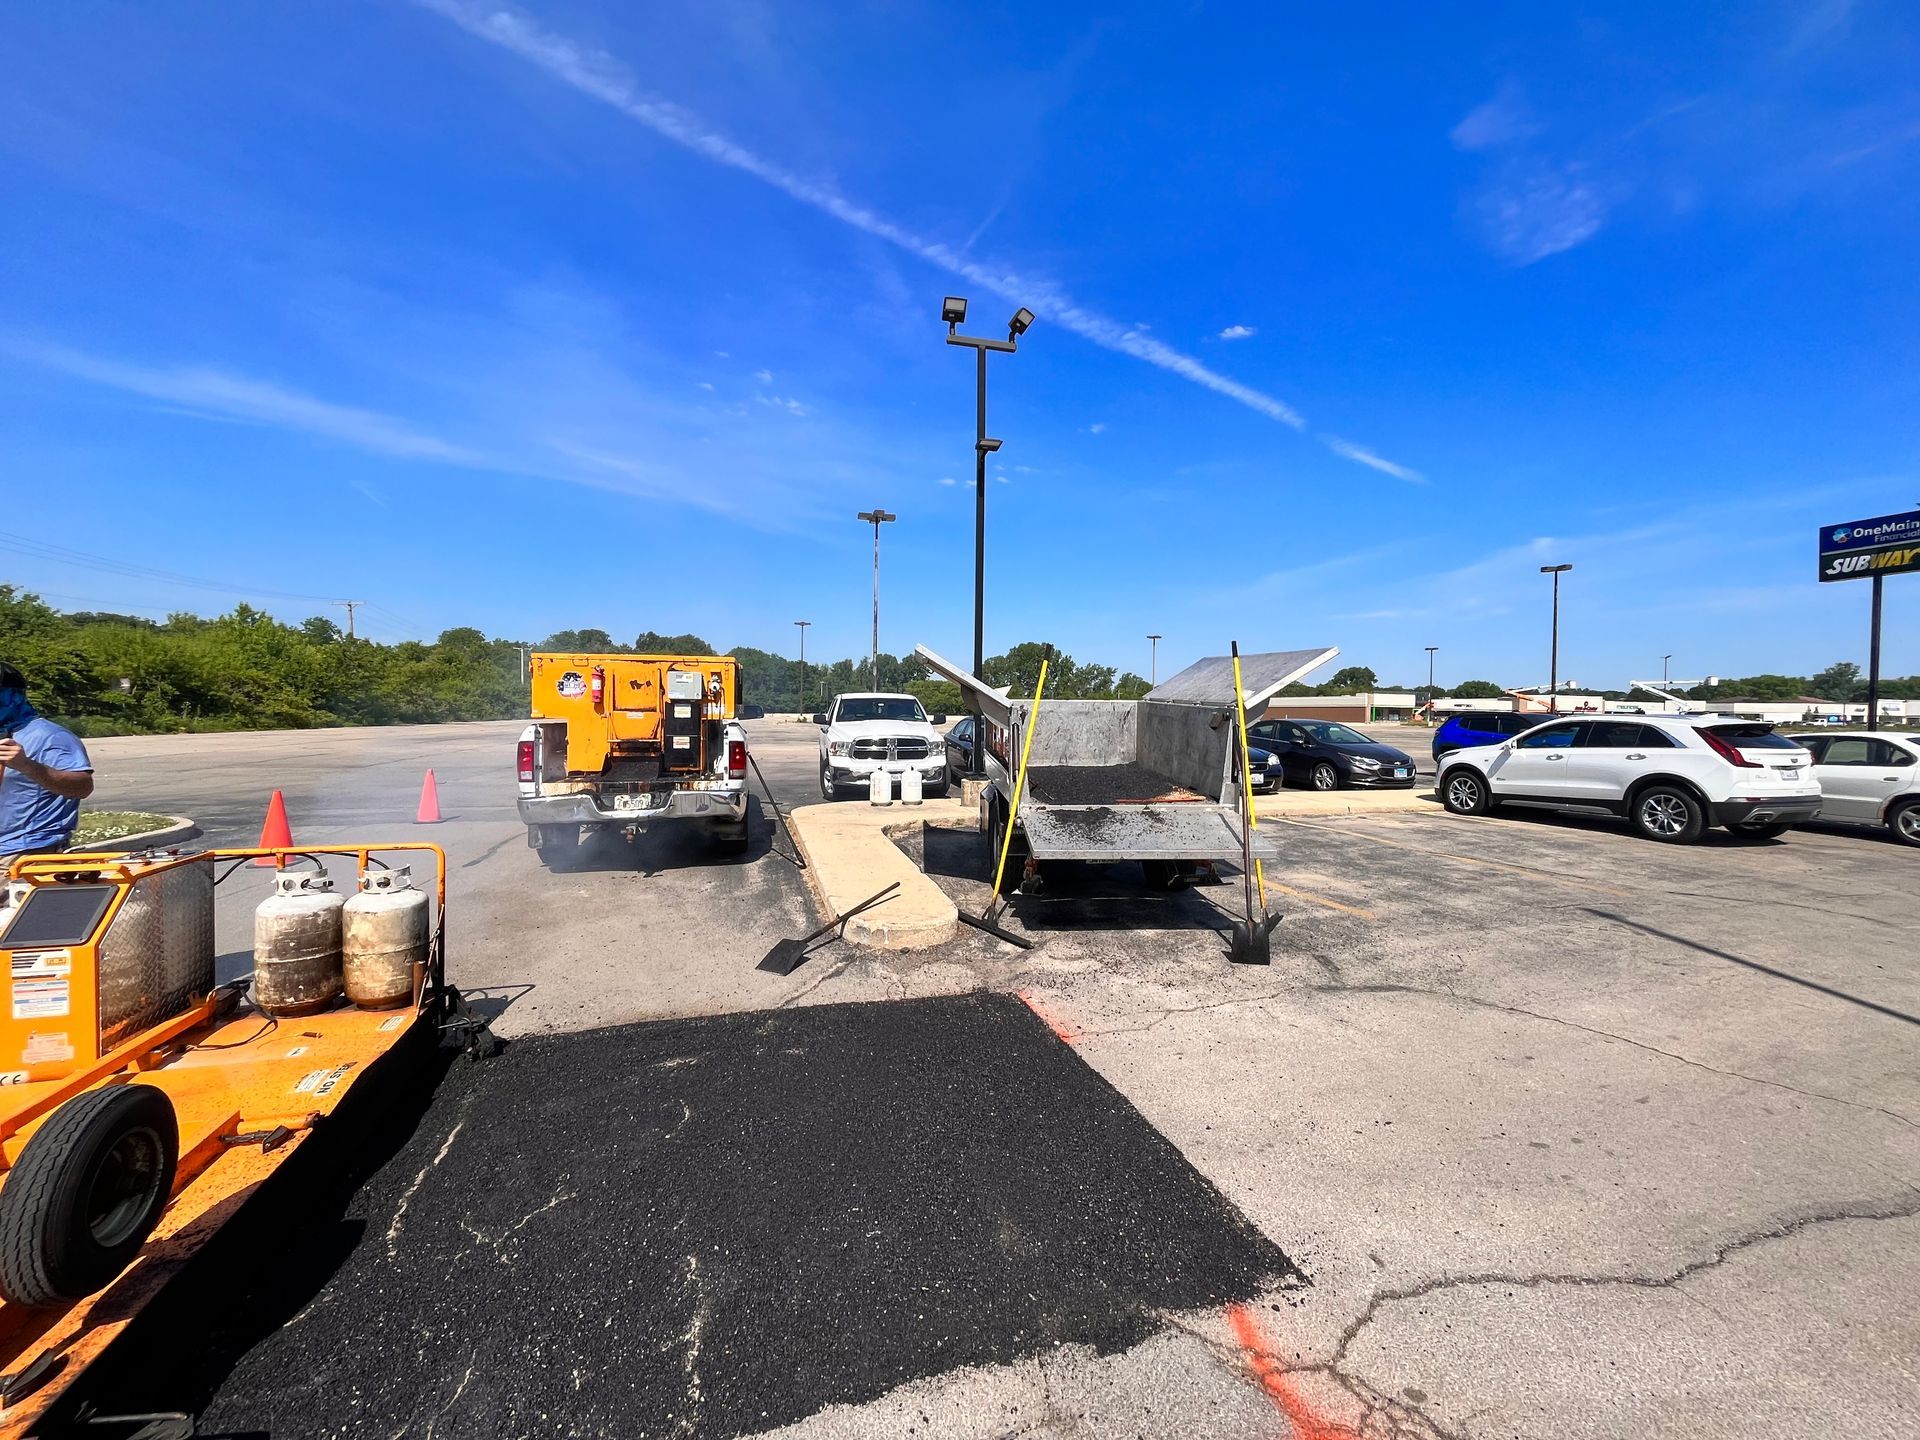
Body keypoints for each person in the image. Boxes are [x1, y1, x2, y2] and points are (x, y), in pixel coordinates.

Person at [0, 662, 94, 868]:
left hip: (26, 853)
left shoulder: (49, 736)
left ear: (13, 696)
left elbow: (83, 787)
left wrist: (27, 766)